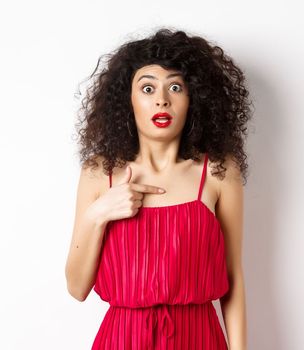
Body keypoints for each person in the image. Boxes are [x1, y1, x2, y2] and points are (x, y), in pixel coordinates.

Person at [64, 27, 251, 349]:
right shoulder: (100, 173)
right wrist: (98, 215)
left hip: (199, 339)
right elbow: (77, 288)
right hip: (122, 341)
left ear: (194, 98)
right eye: (147, 88)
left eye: (175, 87)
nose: (162, 99)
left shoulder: (219, 172)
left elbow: (233, 280)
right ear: (129, 100)